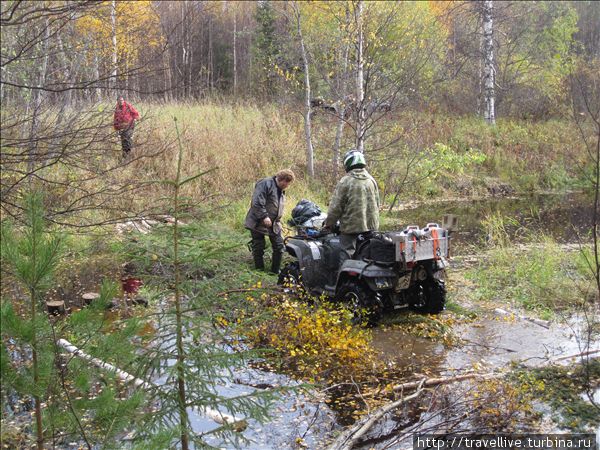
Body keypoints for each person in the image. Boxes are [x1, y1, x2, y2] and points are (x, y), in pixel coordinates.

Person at [324, 149, 380, 263]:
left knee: (346, 252)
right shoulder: (371, 180)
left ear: (348, 163)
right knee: (368, 252)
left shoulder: (346, 181)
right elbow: (377, 203)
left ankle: (344, 278)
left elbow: (336, 207)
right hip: (371, 226)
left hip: (351, 227)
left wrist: (329, 224)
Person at [244, 169, 296, 273]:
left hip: (274, 223)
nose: (287, 186)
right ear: (283, 180)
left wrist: (278, 221)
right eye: (287, 183)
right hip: (258, 220)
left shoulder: (280, 189)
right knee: (259, 245)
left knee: (279, 246)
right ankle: (259, 270)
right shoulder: (265, 183)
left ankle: (275, 271)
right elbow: (257, 202)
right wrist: (264, 216)